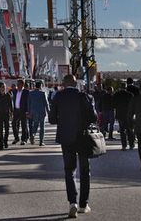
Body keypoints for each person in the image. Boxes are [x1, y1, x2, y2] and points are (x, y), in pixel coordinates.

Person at [49, 74, 97, 219]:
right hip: (82, 137)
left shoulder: (58, 96)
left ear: (64, 83)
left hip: (66, 137)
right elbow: (93, 117)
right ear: (76, 84)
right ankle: (84, 204)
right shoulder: (85, 97)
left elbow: (51, 119)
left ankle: (72, 203)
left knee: (69, 170)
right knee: (85, 170)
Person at [113, 81, 135, 150]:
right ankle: (131, 144)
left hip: (120, 114)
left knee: (122, 131)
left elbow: (113, 104)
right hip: (128, 114)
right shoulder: (130, 95)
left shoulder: (116, 94)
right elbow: (132, 105)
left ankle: (124, 145)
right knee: (129, 130)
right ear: (126, 87)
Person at [28, 80, 50, 146]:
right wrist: (49, 112)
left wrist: (29, 112)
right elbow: (46, 103)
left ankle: (33, 134)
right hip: (41, 112)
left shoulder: (31, 93)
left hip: (33, 112)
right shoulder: (43, 93)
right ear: (40, 86)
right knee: (42, 127)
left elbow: (28, 103)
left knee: (35, 125)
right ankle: (41, 141)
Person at [0, 82, 13, 149]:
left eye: (4, 87)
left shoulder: (8, 95)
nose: (3, 88)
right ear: (0, 88)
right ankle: (1, 143)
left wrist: (11, 113)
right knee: (0, 129)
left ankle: (5, 141)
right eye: (2, 87)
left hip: (6, 114)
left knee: (7, 129)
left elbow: (11, 105)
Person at [12, 79, 30, 145]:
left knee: (23, 125)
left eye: (18, 84)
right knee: (13, 124)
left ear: (22, 84)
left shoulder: (26, 92)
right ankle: (16, 138)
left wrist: (27, 111)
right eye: (17, 84)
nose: (17, 85)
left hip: (23, 111)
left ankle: (24, 139)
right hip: (16, 110)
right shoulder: (14, 91)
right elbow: (13, 100)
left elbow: (28, 102)